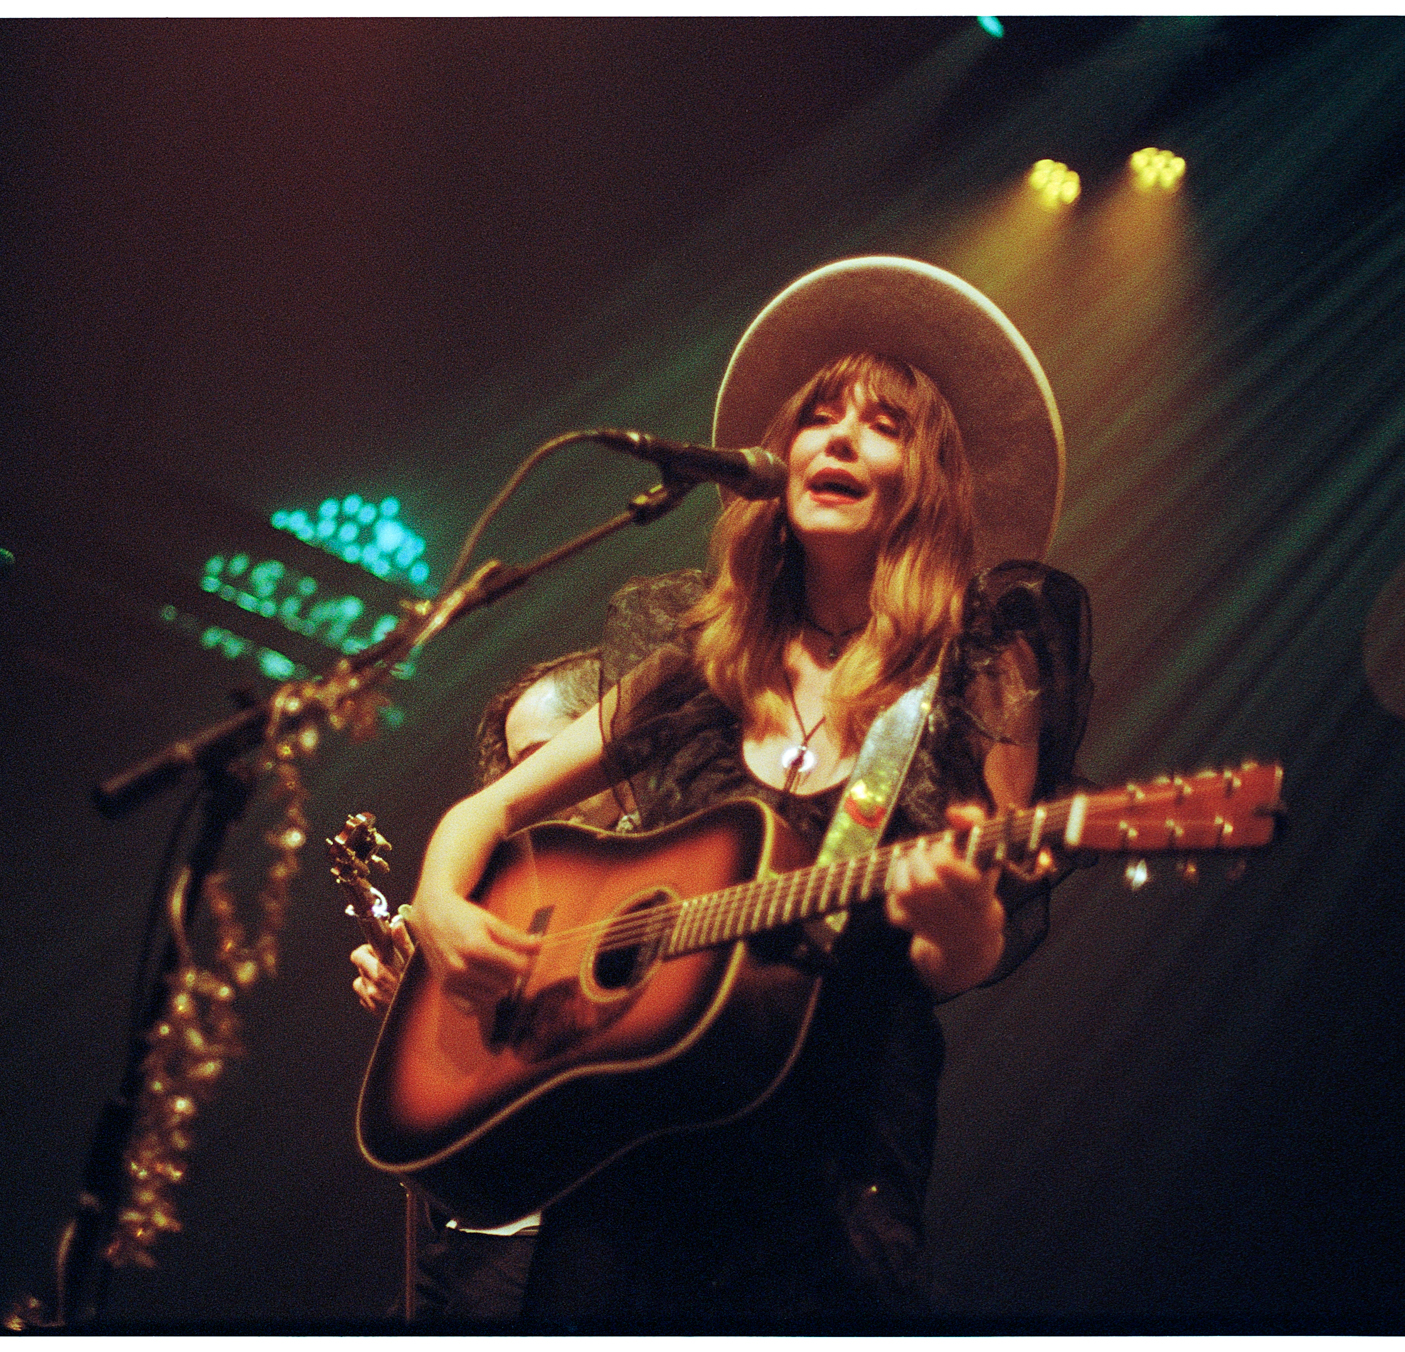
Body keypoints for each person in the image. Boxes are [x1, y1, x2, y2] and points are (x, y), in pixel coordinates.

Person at [400, 257, 1091, 1328]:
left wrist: (961, 925)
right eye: (817, 415)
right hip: (626, 1157)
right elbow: (483, 813)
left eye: (881, 424)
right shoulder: (699, 665)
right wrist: (442, 908)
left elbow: (961, 959)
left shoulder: (972, 674)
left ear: (929, 479)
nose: (837, 437)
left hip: (828, 1173)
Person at [351, 648, 616, 1323]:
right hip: (477, 1230)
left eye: (541, 756)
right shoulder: (522, 883)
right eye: (513, 768)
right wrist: (416, 1007)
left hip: (578, 1241)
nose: (528, 787)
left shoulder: (680, 851)